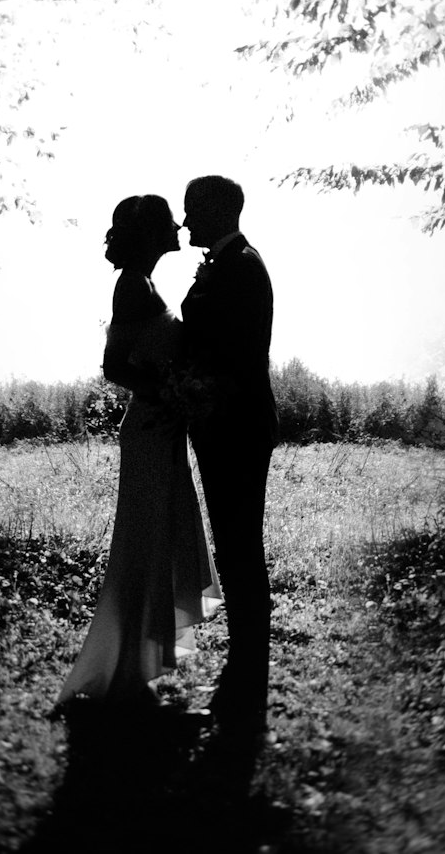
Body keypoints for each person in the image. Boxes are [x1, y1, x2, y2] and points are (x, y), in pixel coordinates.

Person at [54, 194, 221, 711]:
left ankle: (141, 666)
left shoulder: (144, 284)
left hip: (161, 431)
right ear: (151, 234)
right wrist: (168, 391)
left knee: (159, 543)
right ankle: (125, 667)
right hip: (150, 429)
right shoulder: (131, 286)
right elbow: (114, 366)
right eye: (169, 220)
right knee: (144, 545)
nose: (178, 226)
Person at [180, 175, 278, 738]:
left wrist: (189, 385)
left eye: (193, 208)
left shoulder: (242, 266)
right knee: (236, 545)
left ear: (217, 211)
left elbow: (233, 356)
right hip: (224, 427)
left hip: (235, 429)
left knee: (241, 547)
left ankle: (246, 686)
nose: (187, 219)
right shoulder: (229, 262)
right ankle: (241, 681)